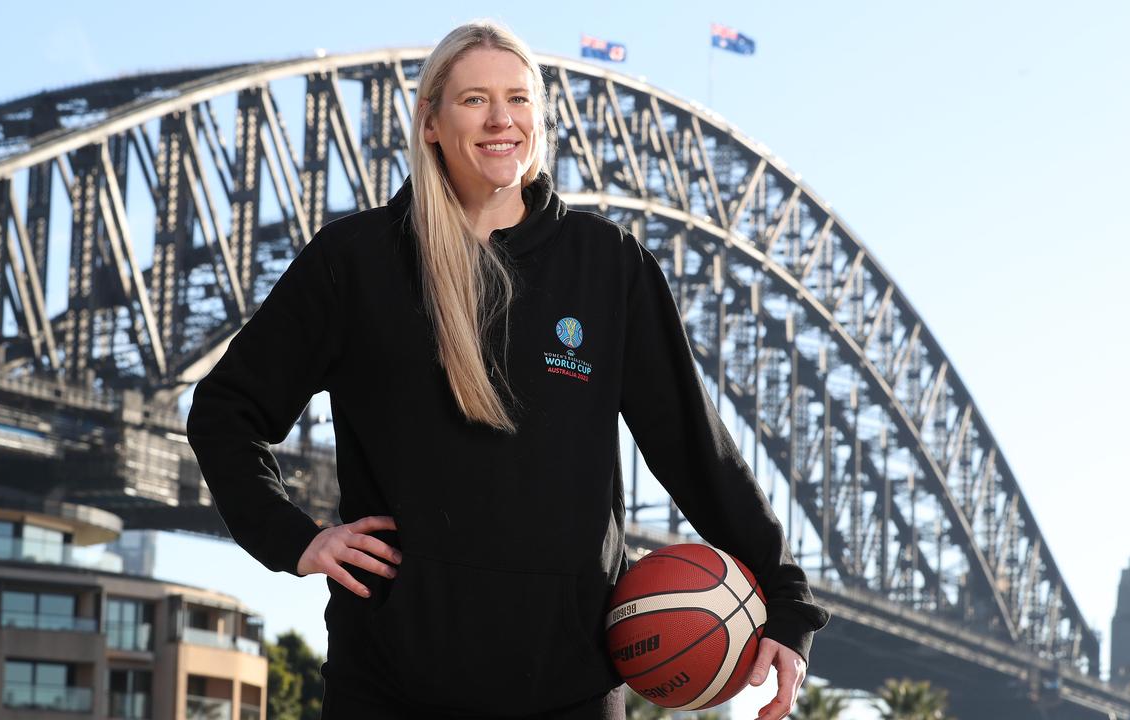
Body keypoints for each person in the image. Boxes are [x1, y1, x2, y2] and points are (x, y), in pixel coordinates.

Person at [185, 18, 830, 720]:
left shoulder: (607, 266)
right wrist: (296, 539)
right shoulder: (356, 262)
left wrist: (788, 602)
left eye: (519, 99)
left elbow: (695, 452)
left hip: (568, 691)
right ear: (430, 122)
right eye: (474, 100)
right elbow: (225, 412)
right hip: (391, 689)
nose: (502, 120)